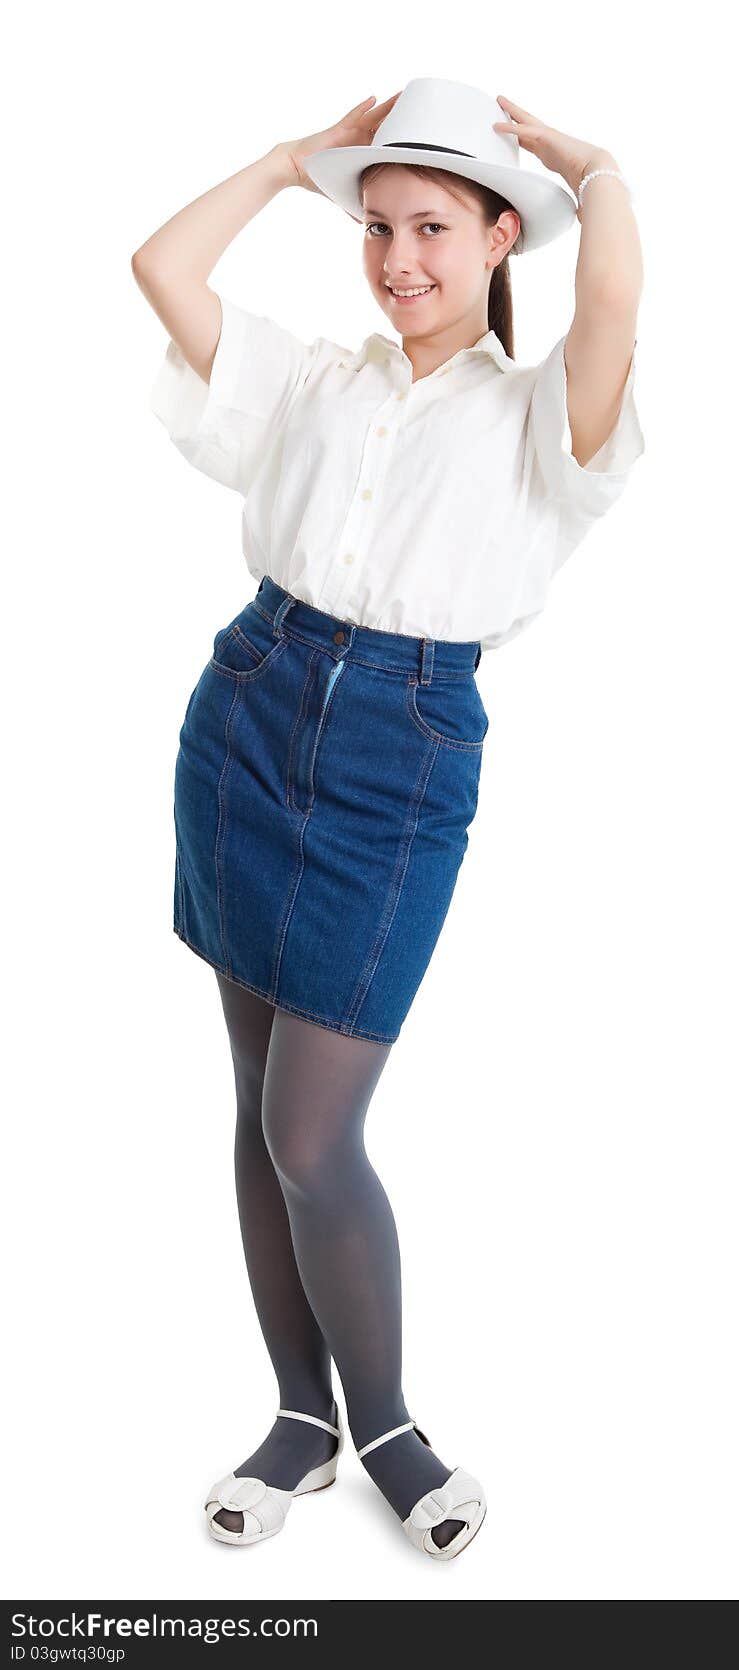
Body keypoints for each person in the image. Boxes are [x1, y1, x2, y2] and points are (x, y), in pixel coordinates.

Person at [132, 77, 644, 1562]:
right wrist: (297, 158)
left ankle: (390, 1421)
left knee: (313, 1123)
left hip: (398, 756)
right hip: (247, 705)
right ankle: (300, 1413)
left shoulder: (545, 414)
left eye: (434, 227)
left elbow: (610, 297)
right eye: (377, 227)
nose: (400, 258)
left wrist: (594, 164)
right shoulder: (315, 379)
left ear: (500, 240)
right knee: (257, 1103)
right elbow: (163, 268)